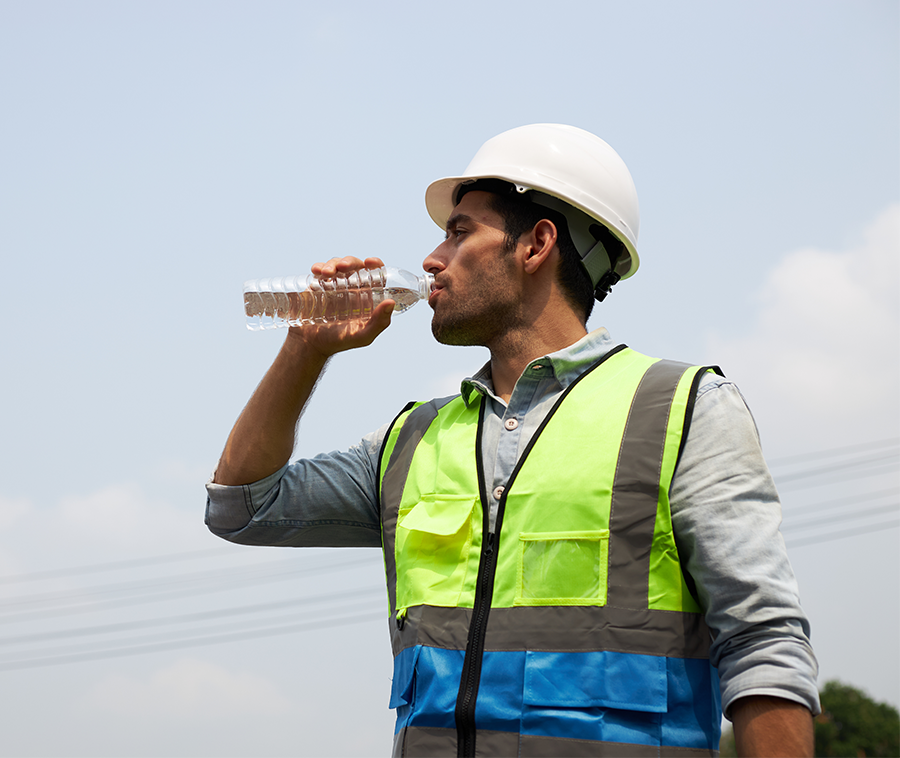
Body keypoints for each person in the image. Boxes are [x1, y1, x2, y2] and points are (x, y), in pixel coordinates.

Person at [206, 124, 820, 757]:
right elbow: (240, 505)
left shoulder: (682, 409)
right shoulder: (412, 439)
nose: (430, 259)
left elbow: (762, 644)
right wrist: (304, 350)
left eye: (461, 230)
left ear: (537, 244)